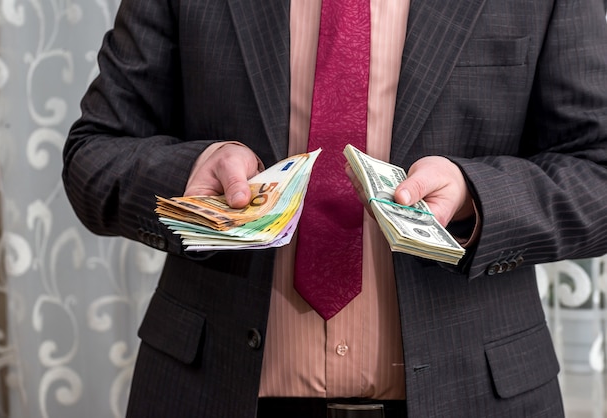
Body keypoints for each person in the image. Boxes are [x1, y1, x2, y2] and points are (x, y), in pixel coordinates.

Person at [62, 0, 607, 417]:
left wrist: (474, 195)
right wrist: (193, 169)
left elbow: (596, 172)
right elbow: (95, 153)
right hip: (213, 389)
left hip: (472, 395)